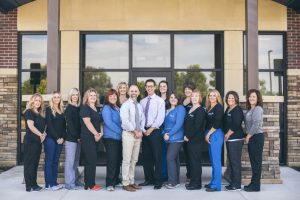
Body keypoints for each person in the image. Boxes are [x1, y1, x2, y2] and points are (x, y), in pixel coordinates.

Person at [139, 79, 165, 190]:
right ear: (145, 88)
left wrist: (150, 129)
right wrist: (143, 130)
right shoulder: (142, 101)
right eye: (147, 86)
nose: (149, 88)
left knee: (157, 157)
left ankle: (158, 181)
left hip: (155, 131)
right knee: (146, 156)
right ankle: (148, 179)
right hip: (144, 131)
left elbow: (160, 118)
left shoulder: (160, 101)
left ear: (155, 87)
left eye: (151, 86)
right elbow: (140, 117)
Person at [120, 85, 145, 192]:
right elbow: (125, 121)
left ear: (138, 93)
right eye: (132, 91)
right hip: (128, 135)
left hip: (138, 136)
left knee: (134, 160)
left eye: (135, 91)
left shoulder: (139, 105)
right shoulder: (125, 105)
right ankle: (125, 183)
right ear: (128, 92)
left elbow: (142, 119)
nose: (134, 92)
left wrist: (141, 131)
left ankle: (131, 181)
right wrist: (135, 131)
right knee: (127, 160)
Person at [80, 88, 103, 191]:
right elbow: (87, 122)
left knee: (92, 161)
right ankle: (90, 184)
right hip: (88, 138)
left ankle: (88, 184)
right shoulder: (85, 108)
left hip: (96, 137)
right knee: (91, 161)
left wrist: (101, 133)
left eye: (94, 95)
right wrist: (95, 134)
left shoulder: (96, 108)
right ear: (87, 97)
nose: (93, 97)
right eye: (91, 95)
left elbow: (100, 122)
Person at [23, 93, 46, 192]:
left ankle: (34, 184)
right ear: (32, 101)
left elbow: (43, 127)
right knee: (29, 163)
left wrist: (44, 134)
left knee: (35, 163)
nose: (38, 102)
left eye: (39, 101)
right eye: (36, 100)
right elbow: (31, 126)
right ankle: (29, 185)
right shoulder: (29, 112)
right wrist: (41, 135)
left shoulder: (39, 113)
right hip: (30, 141)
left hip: (38, 142)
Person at [184, 90, 206, 190]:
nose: (194, 98)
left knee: (196, 162)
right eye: (193, 96)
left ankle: (197, 184)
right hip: (190, 140)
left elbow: (197, 126)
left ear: (200, 98)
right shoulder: (191, 108)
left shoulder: (200, 110)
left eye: (197, 96)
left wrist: (188, 136)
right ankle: (193, 181)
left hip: (195, 140)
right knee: (192, 161)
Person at [163, 92, 186, 189]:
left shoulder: (180, 108)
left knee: (169, 158)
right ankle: (176, 181)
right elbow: (163, 124)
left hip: (176, 138)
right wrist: (163, 133)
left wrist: (169, 134)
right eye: (171, 97)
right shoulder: (166, 110)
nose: (173, 99)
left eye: (175, 97)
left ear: (178, 99)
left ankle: (172, 182)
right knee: (175, 159)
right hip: (167, 138)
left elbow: (179, 124)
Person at [244, 89, 264, 192]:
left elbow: (256, 124)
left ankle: (256, 186)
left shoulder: (257, 109)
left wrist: (248, 136)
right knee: (254, 162)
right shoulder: (250, 110)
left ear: (258, 98)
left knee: (256, 162)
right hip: (253, 137)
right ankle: (253, 183)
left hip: (256, 137)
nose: (251, 98)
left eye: (254, 96)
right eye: (250, 96)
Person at [102, 89, 122, 191]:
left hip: (118, 138)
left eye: (115, 96)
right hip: (110, 138)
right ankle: (109, 183)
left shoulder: (117, 107)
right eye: (111, 96)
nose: (113, 97)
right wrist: (121, 132)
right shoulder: (106, 108)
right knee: (112, 161)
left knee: (118, 160)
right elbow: (109, 123)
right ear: (107, 98)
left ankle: (116, 180)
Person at [223, 91, 244, 191]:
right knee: (232, 161)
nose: (230, 99)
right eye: (228, 98)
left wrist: (227, 134)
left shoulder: (237, 109)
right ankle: (233, 183)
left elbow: (236, 124)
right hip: (230, 139)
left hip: (235, 139)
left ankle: (237, 185)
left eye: (232, 98)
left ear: (236, 99)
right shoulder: (228, 108)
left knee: (235, 162)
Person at [44, 91, 66, 190]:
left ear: (60, 99)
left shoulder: (62, 110)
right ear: (52, 99)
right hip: (50, 139)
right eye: (55, 97)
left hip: (60, 140)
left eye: (58, 97)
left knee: (55, 162)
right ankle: (49, 184)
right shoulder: (49, 109)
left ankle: (54, 182)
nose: (57, 99)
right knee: (49, 161)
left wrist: (62, 138)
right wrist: (57, 138)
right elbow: (50, 125)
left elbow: (64, 126)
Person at [204, 89, 224, 192]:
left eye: (214, 95)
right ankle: (213, 182)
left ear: (217, 97)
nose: (212, 97)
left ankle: (217, 185)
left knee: (216, 161)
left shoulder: (219, 108)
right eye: (210, 95)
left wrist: (208, 134)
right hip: (210, 133)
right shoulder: (209, 107)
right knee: (212, 161)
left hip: (215, 134)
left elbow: (216, 123)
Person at [64, 88, 82, 190]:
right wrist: (78, 137)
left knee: (76, 162)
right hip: (71, 139)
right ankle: (69, 184)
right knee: (70, 162)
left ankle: (74, 180)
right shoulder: (69, 108)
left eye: (77, 95)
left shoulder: (79, 108)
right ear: (70, 96)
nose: (75, 97)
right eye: (73, 95)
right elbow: (70, 125)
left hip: (78, 139)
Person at [182, 82, 196, 184]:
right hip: (183, 131)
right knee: (187, 154)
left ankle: (193, 175)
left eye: (189, 89)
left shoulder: (194, 101)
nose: (187, 90)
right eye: (186, 89)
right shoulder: (182, 101)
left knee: (192, 155)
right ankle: (189, 174)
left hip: (192, 132)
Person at [158, 80, 169, 182]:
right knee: (161, 152)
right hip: (158, 128)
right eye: (160, 86)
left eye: (164, 86)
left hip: (168, 128)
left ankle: (166, 174)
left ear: (167, 87)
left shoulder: (170, 99)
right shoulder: (156, 99)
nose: (162, 88)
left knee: (167, 153)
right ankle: (161, 173)